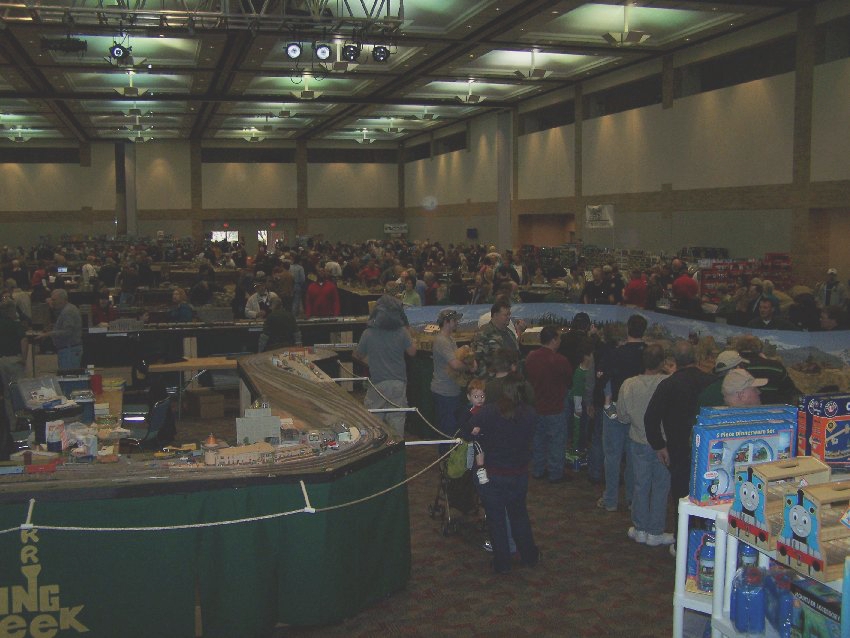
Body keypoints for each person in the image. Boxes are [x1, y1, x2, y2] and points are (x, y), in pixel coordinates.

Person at [465, 373, 540, 574]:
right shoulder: (530, 413)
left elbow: (468, 429)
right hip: (518, 472)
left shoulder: (489, 411)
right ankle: (529, 556)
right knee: (519, 515)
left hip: (492, 473)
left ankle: (502, 562)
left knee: (496, 519)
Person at [644, 340, 714, 507]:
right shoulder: (710, 382)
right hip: (709, 447)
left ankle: (681, 524)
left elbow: (651, 417)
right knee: (710, 495)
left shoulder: (668, 384)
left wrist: (659, 445)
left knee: (681, 498)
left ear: (674, 359)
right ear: (695, 357)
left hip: (678, 448)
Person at [618, 344, 673, 546]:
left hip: (638, 440)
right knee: (661, 487)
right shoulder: (668, 382)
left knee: (640, 485)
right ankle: (655, 531)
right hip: (663, 443)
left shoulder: (629, 384)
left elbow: (622, 416)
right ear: (662, 362)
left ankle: (640, 528)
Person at [596, 314, 647, 512]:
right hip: (639, 412)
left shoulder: (615, 354)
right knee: (634, 458)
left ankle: (610, 499)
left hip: (616, 409)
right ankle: (632, 499)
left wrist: (607, 401)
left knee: (612, 456)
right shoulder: (648, 355)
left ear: (628, 329)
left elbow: (603, 379)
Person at [354, 295, 417, 438]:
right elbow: (412, 352)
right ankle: (397, 446)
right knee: (397, 418)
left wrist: (371, 361)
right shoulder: (402, 332)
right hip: (398, 382)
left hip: (378, 382)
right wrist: (411, 335)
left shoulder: (368, 333)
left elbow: (358, 354)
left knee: (374, 419)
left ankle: (376, 445)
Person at [525, 325, 573, 483]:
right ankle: (555, 473)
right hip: (556, 407)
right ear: (553, 340)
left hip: (537, 406)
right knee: (557, 443)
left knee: (538, 441)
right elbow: (569, 382)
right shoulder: (561, 360)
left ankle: (538, 470)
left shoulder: (531, 357)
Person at [430, 309, 473, 444]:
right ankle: (446, 455)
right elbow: (455, 364)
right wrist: (470, 367)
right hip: (445, 391)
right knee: (448, 430)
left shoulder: (449, 339)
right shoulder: (443, 341)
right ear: (446, 322)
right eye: (455, 320)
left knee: (451, 429)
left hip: (450, 390)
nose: (457, 322)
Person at [734, 334, 798, 405]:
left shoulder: (735, 366)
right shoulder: (776, 366)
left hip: (743, 409)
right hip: (774, 409)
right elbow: (790, 390)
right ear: (760, 348)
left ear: (738, 349)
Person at [471, 298, 520, 379]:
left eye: (509, 314)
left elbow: (516, 354)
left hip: (510, 378)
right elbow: (476, 359)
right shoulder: (483, 333)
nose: (509, 317)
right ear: (495, 315)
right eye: (505, 315)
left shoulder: (510, 333)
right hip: (490, 379)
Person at [0, 298, 27, 434]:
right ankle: (22, 420)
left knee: (7, 394)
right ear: (11, 310)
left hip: (1, 361)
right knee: (19, 392)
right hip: (14, 361)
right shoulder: (16, 325)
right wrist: (24, 359)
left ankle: (12, 424)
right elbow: (24, 340)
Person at [39, 288, 83, 369]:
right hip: (68, 350)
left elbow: (67, 332)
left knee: (68, 374)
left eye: (54, 300)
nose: (52, 302)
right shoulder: (66, 309)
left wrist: (49, 334)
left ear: (62, 299)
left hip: (69, 350)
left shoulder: (68, 311)